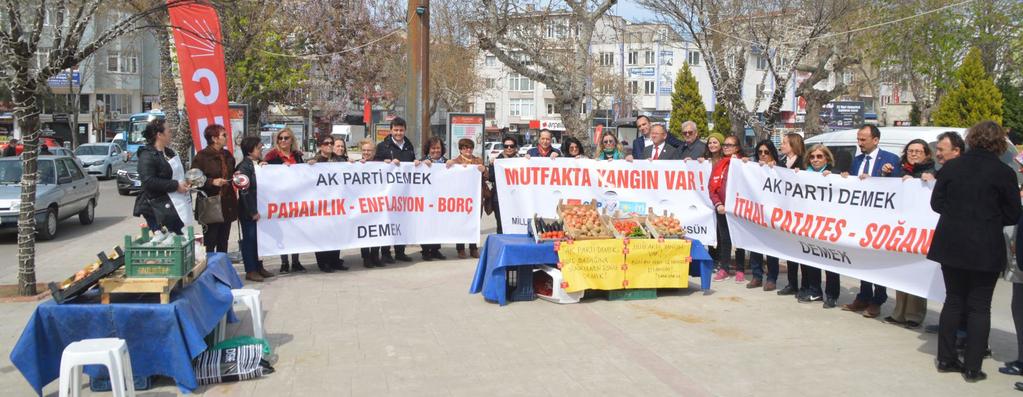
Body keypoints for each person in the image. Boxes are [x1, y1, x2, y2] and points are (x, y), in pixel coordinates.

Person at [929, 121, 1021, 382]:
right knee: (980, 307)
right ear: (999, 143)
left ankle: (946, 358)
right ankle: (972, 366)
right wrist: (988, 219)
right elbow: (1013, 213)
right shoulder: (1004, 172)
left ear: (971, 139)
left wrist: (959, 216)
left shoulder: (953, 167)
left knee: (954, 300)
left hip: (952, 242)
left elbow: (937, 203)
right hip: (986, 245)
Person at [840, 125, 902, 319]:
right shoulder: (856, 160)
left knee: (877, 260)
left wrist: (885, 176)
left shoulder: (891, 160)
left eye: (863, 139)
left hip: (881, 221)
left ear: (875, 140)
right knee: (862, 259)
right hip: (860, 219)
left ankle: (878, 299)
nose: (859, 143)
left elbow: (900, 186)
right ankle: (864, 295)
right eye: (858, 139)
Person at [882, 139, 935, 327]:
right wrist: (886, 175)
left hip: (918, 230)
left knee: (916, 273)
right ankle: (899, 313)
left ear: (926, 154)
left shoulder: (931, 172)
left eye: (918, 151)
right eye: (911, 151)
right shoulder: (900, 170)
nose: (913, 154)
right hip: (899, 227)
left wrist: (928, 181)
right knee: (900, 272)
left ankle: (914, 314)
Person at [133, 120, 189, 234]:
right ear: (159, 135)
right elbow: (149, 181)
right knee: (170, 241)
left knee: (181, 237)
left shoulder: (169, 152)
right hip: (158, 208)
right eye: (168, 130)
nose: (171, 133)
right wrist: (175, 185)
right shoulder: (147, 155)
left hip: (176, 204)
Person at [804, 144, 841, 308]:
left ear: (827, 158)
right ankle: (815, 291)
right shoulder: (804, 175)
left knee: (830, 260)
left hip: (829, 225)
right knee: (812, 258)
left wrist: (835, 177)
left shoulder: (835, 174)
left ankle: (832, 295)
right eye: (812, 157)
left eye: (819, 156)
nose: (815, 160)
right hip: (810, 223)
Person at [264, 128, 306, 273]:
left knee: (296, 231)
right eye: (280, 138)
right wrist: (264, 166)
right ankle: (284, 262)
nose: (283, 140)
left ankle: (296, 261)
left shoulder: (298, 156)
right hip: (279, 200)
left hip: (296, 199)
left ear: (292, 140)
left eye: (286, 138)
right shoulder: (271, 156)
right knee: (283, 231)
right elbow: (265, 174)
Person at [374, 117, 415, 263]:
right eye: (396, 130)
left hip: (404, 192)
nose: (398, 133)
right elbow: (374, 165)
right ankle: (385, 252)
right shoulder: (383, 146)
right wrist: (384, 162)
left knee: (402, 221)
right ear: (391, 130)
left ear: (405, 130)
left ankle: (400, 251)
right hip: (387, 192)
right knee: (387, 221)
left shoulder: (409, 146)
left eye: (401, 130)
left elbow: (412, 165)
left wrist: (416, 163)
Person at [740, 140, 781, 288]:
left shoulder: (778, 168)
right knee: (755, 247)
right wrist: (744, 163)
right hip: (755, 213)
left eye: (766, 152)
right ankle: (757, 276)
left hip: (772, 215)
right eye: (760, 152)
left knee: (771, 248)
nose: (763, 155)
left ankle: (772, 279)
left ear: (772, 153)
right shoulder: (753, 167)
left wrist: (775, 169)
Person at [192, 125, 238, 254]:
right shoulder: (202, 156)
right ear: (214, 138)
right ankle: (210, 269)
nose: (226, 137)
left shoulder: (227, 155)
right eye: (224, 135)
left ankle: (222, 269)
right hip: (210, 203)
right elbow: (193, 178)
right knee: (210, 241)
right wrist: (211, 181)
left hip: (226, 203)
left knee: (223, 241)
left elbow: (232, 171)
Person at [236, 136, 274, 282]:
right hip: (248, 211)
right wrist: (252, 211)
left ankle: (259, 266)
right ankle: (250, 269)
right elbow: (244, 191)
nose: (261, 149)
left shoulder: (256, 164)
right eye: (258, 147)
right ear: (250, 150)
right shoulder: (243, 167)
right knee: (249, 240)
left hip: (259, 208)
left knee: (259, 240)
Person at [307, 135, 347, 273]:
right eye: (326, 143)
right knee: (323, 234)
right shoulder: (314, 161)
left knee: (336, 233)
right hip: (321, 205)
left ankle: (335, 260)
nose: (329, 145)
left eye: (331, 143)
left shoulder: (340, 161)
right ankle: (323, 262)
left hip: (337, 203)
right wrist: (309, 165)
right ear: (320, 146)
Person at [709, 135, 743, 282]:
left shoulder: (743, 164)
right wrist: (718, 204)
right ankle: (724, 268)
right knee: (725, 239)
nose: (726, 147)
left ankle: (740, 269)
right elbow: (712, 187)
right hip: (723, 208)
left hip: (739, 209)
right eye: (725, 145)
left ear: (737, 148)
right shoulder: (720, 164)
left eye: (730, 145)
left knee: (741, 239)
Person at [777, 134, 807, 298]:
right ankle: (792, 283)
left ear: (793, 145)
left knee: (800, 250)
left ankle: (805, 285)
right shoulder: (782, 163)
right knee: (789, 251)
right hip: (785, 212)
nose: (781, 145)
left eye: (784, 143)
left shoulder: (802, 162)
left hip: (800, 213)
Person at [448, 138, 488, 259]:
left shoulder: (478, 160)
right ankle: (460, 248)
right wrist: (451, 165)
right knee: (460, 222)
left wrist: (484, 170)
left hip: (476, 198)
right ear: (460, 149)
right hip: (461, 198)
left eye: (470, 147)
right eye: (465, 148)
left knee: (475, 222)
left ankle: (473, 247)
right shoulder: (455, 161)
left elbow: (486, 177)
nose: (468, 150)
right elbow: (448, 175)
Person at [357, 139, 386, 268]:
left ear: (374, 151)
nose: (366, 153)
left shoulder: (381, 164)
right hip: (362, 204)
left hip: (377, 203)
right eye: (364, 150)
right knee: (365, 231)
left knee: (377, 230)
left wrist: (389, 164)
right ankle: (366, 257)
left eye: (369, 150)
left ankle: (375, 255)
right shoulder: (357, 165)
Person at [419, 136, 448, 261]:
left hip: (440, 200)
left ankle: (436, 250)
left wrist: (453, 165)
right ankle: (425, 250)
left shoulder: (447, 162)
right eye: (433, 148)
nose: (435, 150)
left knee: (438, 224)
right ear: (428, 149)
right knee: (425, 224)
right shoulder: (422, 161)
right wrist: (420, 164)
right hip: (425, 200)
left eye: (438, 148)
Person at [489, 136, 518, 234]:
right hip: (499, 198)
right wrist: (492, 165)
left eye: (511, 146)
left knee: (516, 224)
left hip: (516, 198)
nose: (509, 148)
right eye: (506, 146)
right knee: (501, 225)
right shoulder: (497, 161)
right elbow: (491, 178)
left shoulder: (521, 161)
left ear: (515, 147)